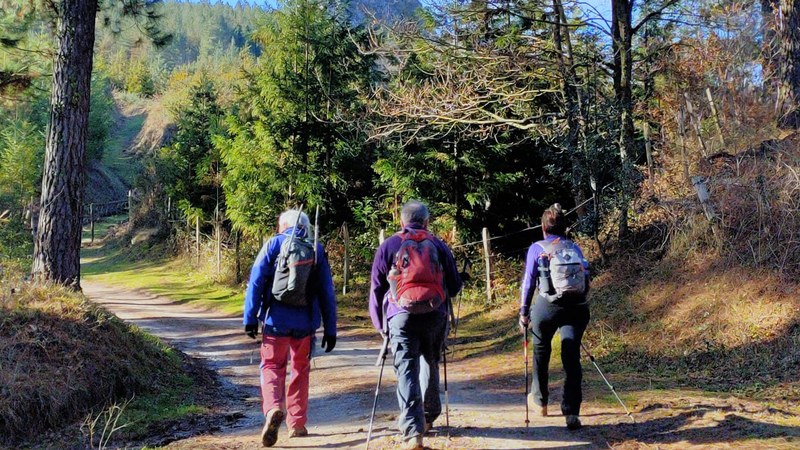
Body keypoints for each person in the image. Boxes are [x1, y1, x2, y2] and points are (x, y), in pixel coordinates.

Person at [369, 200, 463, 450]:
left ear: (401, 221)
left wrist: (380, 324)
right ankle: (429, 416)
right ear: (427, 222)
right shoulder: (438, 245)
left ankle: (413, 431)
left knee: (406, 368)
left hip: (400, 315)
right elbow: (454, 286)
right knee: (429, 360)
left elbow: (377, 289)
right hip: (435, 312)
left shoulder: (389, 245)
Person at [243, 209, 337, 447]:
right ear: (305, 227)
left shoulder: (274, 245)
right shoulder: (317, 248)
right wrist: (330, 328)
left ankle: (274, 408)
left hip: (275, 321)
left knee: (273, 366)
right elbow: (327, 291)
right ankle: (296, 424)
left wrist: (250, 317)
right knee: (300, 370)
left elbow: (256, 281)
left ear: (282, 225)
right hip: (305, 324)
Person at [519, 203, 590, 430]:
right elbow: (586, 277)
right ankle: (572, 412)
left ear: (543, 227)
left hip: (547, 306)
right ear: (565, 227)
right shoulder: (575, 248)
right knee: (571, 355)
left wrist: (523, 313)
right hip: (576, 307)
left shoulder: (536, 248)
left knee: (541, 348)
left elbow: (529, 283)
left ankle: (540, 402)